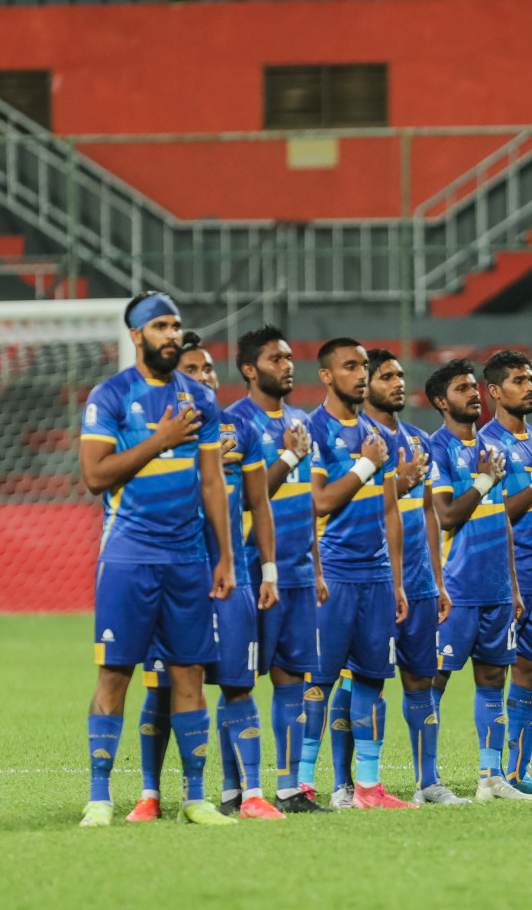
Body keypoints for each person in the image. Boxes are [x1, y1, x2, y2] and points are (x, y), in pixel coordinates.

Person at [78, 291, 233, 827]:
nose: (171, 334)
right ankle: (100, 797)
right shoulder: (111, 396)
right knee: (115, 675)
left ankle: (195, 798)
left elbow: (213, 482)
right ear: (136, 335)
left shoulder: (200, 399)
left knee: (190, 674)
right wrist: (161, 439)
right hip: (128, 557)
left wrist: (225, 557)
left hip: (188, 559)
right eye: (160, 326)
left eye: (175, 325)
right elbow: (96, 475)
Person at [130, 335, 283, 823]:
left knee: (238, 686)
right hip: (172, 579)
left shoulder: (242, 428)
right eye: (193, 369)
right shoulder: (153, 431)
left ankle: (253, 794)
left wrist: (269, 572)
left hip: (233, 579)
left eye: (210, 369)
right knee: (161, 688)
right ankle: (151, 796)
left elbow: (260, 504)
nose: (205, 377)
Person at [227, 326, 331, 812]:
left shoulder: (299, 421)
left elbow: (309, 502)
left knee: (293, 679)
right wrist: (289, 455)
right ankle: (234, 792)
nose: (288, 365)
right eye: (275, 359)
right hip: (250, 571)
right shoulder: (234, 424)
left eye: (290, 357)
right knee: (240, 681)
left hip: (298, 571)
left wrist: (318, 565)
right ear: (250, 369)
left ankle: (289, 789)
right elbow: (249, 496)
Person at [424, 359, 532, 802]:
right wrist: (486, 480)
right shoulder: (438, 448)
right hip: (456, 588)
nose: (472, 394)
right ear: (439, 401)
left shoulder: (492, 448)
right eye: (461, 389)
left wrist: (514, 585)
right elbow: (446, 516)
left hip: (496, 590)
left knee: (493, 680)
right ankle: (427, 781)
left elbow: (503, 522)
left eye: (474, 387)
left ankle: (491, 779)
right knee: (434, 681)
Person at [306, 338, 409, 809]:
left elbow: (391, 513)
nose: (361, 374)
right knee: (318, 681)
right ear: (327, 375)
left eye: (364, 367)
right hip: (332, 572)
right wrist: (368, 463)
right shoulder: (311, 430)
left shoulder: (378, 434)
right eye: (350, 367)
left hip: (376, 577)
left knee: (372, 678)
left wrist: (398, 580)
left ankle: (368, 787)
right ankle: (303, 783)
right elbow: (320, 502)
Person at [364, 350, 462, 805]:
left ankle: (428, 782)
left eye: (401, 375)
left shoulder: (420, 441)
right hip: (370, 580)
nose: (398, 382)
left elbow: (428, 517)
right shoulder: (356, 441)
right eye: (387, 376)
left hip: (420, 583)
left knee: (421, 681)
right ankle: (355, 785)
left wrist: (438, 580)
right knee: (363, 681)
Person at [477, 350, 532, 795]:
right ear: (494, 391)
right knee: (492, 672)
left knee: (531, 672)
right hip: (505, 576)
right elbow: (494, 515)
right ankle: (484, 771)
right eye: (518, 381)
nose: (529, 387)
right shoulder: (485, 445)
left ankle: (517, 771)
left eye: (531, 379)